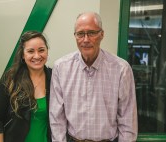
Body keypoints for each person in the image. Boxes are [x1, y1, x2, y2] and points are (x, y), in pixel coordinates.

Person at [49, 12, 138, 142]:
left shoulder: (121, 69)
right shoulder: (61, 68)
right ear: (75, 36)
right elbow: (57, 119)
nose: (86, 39)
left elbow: (128, 121)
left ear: (101, 34)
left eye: (91, 33)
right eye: (80, 34)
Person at [0, 31, 52, 142]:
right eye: (30, 51)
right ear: (23, 55)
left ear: (47, 51)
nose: (37, 56)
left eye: (41, 50)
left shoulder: (55, 78)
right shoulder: (10, 79)